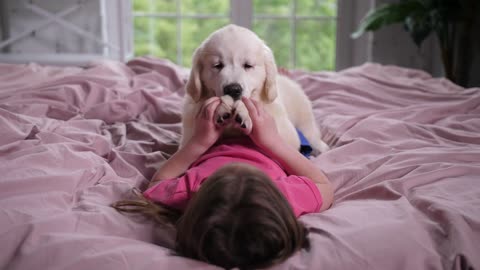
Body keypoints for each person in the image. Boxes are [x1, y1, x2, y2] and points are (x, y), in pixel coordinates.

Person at [112, 96, 334, 269]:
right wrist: (272, 141)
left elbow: (158, 183)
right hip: (266, 143)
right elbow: (323, 185)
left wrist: (199, 142)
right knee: (286, 119)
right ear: (274, 193)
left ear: (199, 193)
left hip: (214, 138)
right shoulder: (285, 198)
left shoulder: (186, 193)